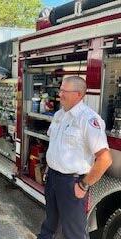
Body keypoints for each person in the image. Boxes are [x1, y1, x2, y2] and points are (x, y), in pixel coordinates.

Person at [37, 76, 112, 239]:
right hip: (53, 179)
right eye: (60, 90)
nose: (60, 94)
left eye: (64, 91)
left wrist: (83, 185)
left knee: (74, 232)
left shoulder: (89, 119)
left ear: (78, 94)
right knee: (50, 225)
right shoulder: (59, 115)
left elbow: (105, 159)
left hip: (72, 183)